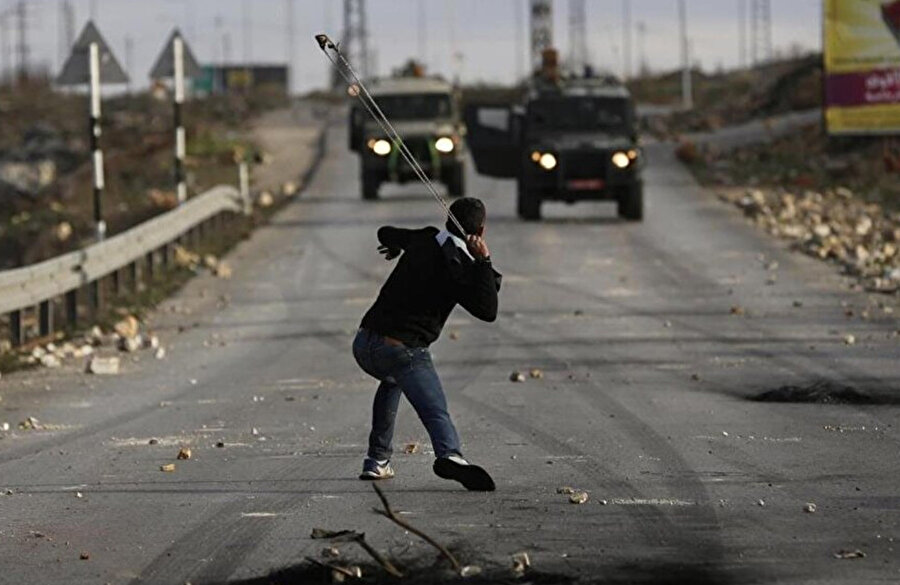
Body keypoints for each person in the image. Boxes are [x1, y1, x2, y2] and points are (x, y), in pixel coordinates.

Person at [352, 197, 501, 491]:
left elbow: (385, 232)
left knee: (393, 379)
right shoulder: (461, 268)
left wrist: (397, 245)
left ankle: (377, 461)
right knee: (435, 409)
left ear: (447, 220)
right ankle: (450, 455)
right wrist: (483, 261)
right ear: (480, 232)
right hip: (401, 350)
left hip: (363, 344)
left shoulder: (424, 238)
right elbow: (488, 309)